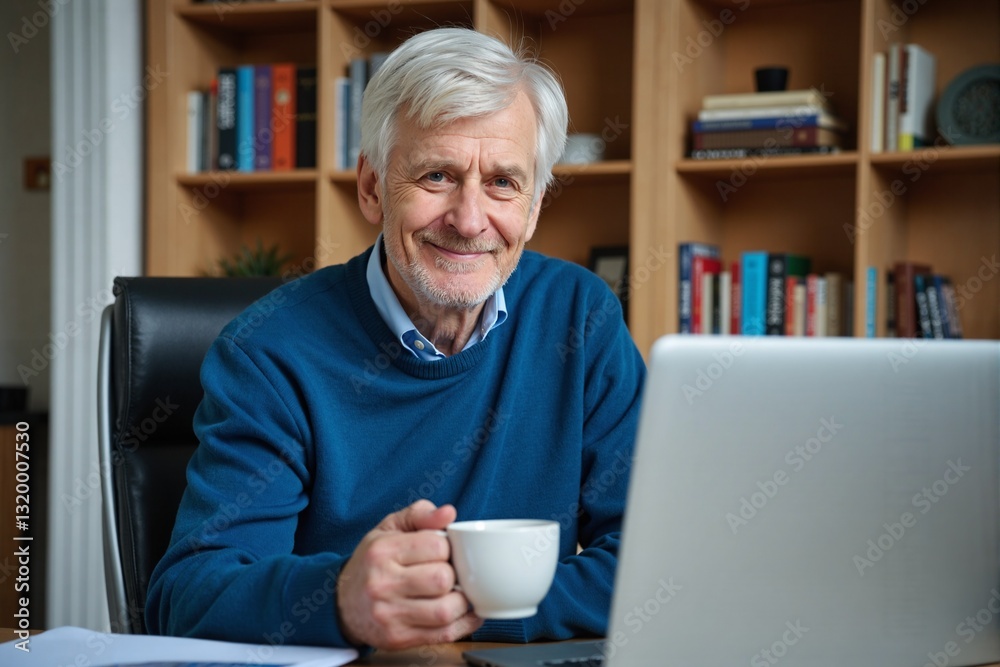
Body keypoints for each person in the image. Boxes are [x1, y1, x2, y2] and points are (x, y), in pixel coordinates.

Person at [145, 27, 645, 652]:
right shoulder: (268, 351)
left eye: (502, 183)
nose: (468, 220)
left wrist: (459, 609)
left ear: (535, 206)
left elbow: (654, 560)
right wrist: (341, 600)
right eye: (437, 175)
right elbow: (187, 594)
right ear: (372, 187)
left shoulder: (581, 316)